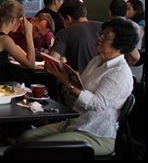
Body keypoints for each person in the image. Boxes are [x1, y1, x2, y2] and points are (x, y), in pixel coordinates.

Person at [16, 18, 139, 156]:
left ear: (120, 45)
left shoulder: (119, 73)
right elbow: (83, 87)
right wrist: (64, 74)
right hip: (75, 123)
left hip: (95, 134)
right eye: (101, 34)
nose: (99, 38)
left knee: (38, 148)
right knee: (26, 138)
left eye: (105, 36)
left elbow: (95, 104)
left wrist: (66, 82)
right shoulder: (97, 61)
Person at [47, 0, 102, 107]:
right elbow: (134, 55)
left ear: (68, 18)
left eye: (63, 20)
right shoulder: (104, 27)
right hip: (103, 88)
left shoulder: (66, 32)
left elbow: (50, 62)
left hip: (79, 91)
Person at [0, 0, 36, 83]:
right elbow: (31, 64)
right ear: (13, 20)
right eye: (20, 21)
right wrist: (28, 34)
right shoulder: (4, 40)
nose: (20, 24)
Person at [108, 0, 141, 67]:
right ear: (126, 12)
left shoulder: (106, 26)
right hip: (132, 68)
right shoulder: (135, 26)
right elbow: (136, 53)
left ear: (110, 12)